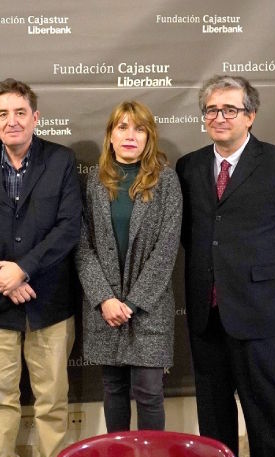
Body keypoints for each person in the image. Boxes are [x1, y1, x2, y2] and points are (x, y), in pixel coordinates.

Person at [177, 75, 275, 457]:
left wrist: (269, 279)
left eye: (230, 109)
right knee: (213, 409)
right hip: (207, 312)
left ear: (250, 115)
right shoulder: (188, 166)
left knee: (266, 409)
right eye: (211, 110)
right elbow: (191, 234)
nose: (219, 117)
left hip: (259, 310)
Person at [0, 78, 81, 457]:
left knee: (52, 396)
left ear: (36, 117)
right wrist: (3, 277)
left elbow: (67, 228)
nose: (13, 121)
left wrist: (23, 268)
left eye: (21, 112)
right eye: (4, 114)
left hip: (49, 300)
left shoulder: (61, 161)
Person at [75, 101, 182, 433]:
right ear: (110, 135)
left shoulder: (166, 182)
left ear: (150, 137)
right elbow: (82, 246)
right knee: (113, 390)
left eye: (139, 128)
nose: (130, 136)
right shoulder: (94, 181)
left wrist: (132, 304)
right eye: (122, 127)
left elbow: (166, 250)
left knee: (149, 392)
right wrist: (105, 299)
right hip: (104, 308)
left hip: (148, 308)